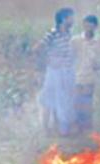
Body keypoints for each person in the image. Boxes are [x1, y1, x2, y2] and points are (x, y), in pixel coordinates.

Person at [71, 15, 100, 132]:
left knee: (87, 103)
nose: (88, 28)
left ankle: (87, 128)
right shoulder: (75, 40)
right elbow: (68, 56)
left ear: (95, 27)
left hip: (91, 77)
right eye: (86, 25)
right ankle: (78, 127)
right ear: (83, 25)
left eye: (91, 25)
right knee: (76, 103)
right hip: (76, 75)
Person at [37, 7, 77, 136]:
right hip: (54, 72)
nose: (73, 20)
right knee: (48, 99)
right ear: (64, 19)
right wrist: (49, 60)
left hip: (66, 71)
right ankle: (45, 129)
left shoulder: (69, 35)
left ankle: (59, 128)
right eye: (71, 17)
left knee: (63, 98)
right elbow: (38, 48)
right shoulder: (53, 33)